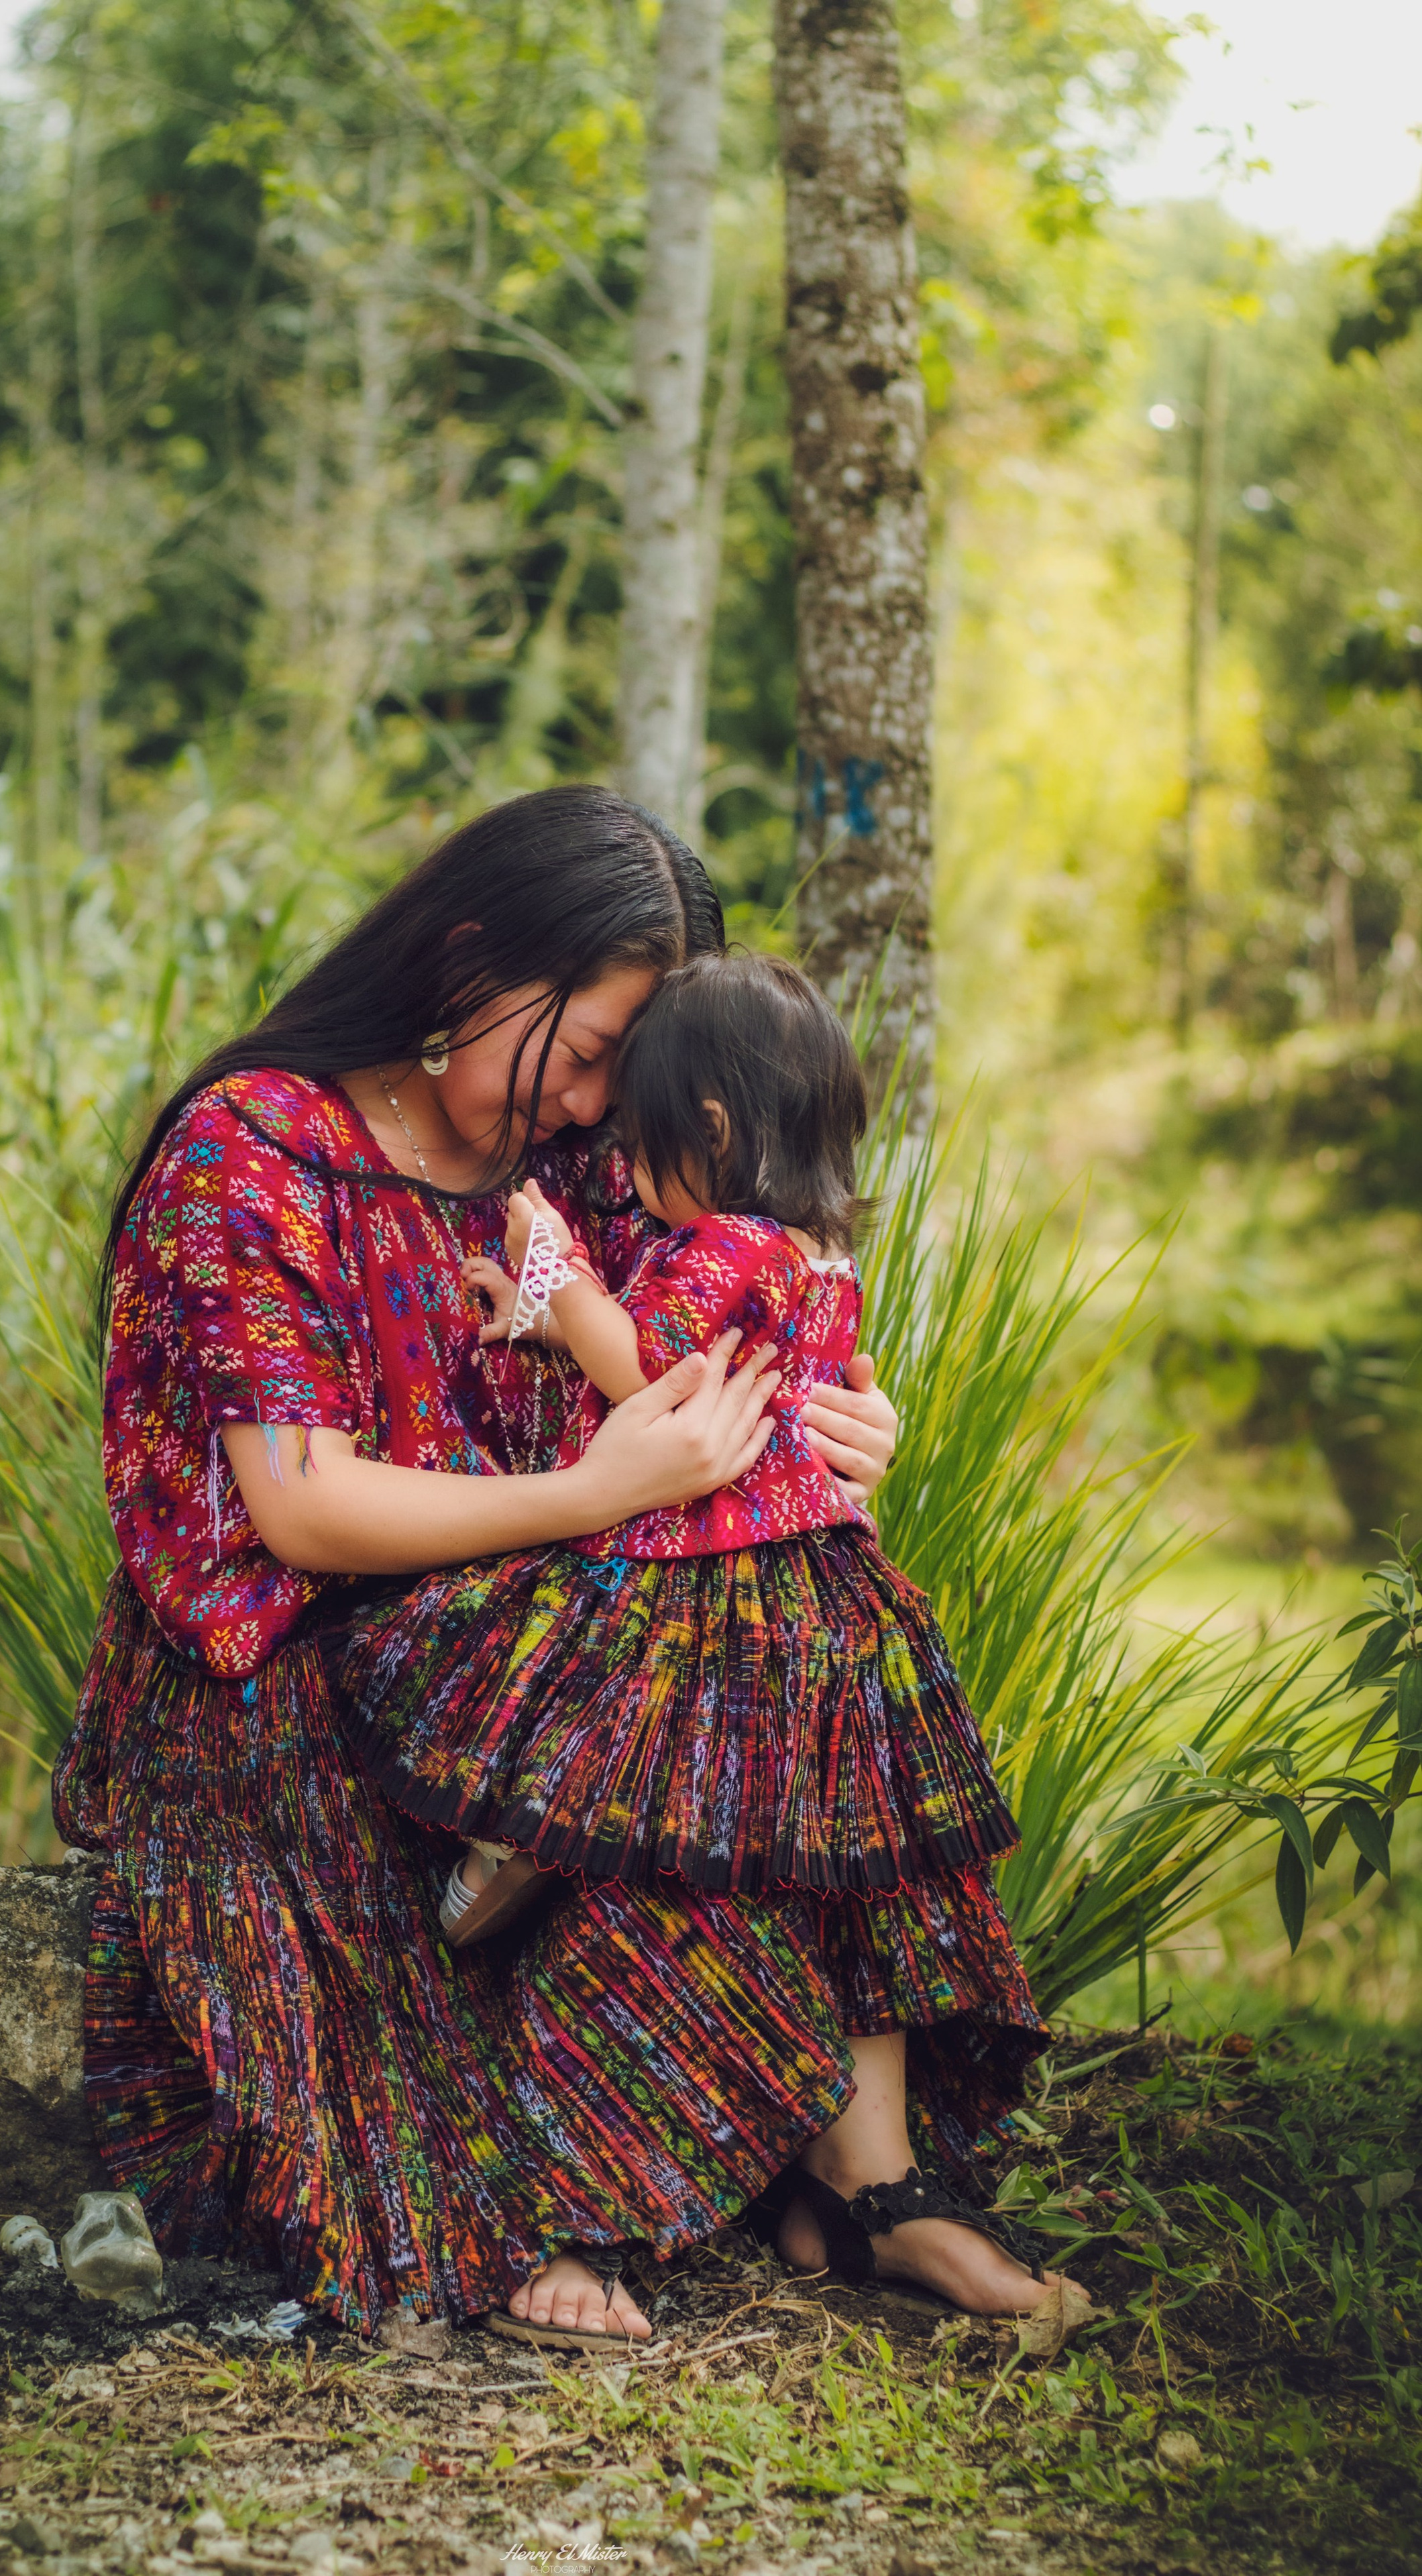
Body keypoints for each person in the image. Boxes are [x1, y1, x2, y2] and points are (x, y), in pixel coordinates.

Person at [51, 784, 1029, 2348]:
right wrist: (595, 1489)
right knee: (587, 1810)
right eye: (582, 1057)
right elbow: (296, 1510)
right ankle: (663, 2173)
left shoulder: (562, 1165)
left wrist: (825, 1428)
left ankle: (864, 2183)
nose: (588, 1111)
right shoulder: (250, 1159)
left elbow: (703, 1337)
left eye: (617, 1081)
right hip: (291, 1672)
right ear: (469, 965)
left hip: (531, 1641)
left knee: (791, 1669)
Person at [337, 952, 1053, 2296]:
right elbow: (747, 1382)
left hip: (715, 1588)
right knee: (844, 1874)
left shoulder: (720, 1240)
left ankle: (509, 1872)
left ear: (708, 1133)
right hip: (836, 1601)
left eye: (645, 1138)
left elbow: (658, 1382)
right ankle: (848, 2192)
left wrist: (553, 1276)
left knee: (625, 1828)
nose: (625, 1157)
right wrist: (551, 1325)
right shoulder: (818, 1250)